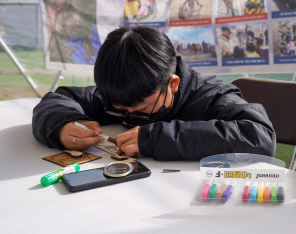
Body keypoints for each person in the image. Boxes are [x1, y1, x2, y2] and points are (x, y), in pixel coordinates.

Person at [32, 26, 275, 160]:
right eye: (120, 107)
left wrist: (156, 138)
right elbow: (59, 99)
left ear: (173, 84)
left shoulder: (211, 96)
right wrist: (60, 126)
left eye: (140, 108)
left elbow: (260, 136)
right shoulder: (122, 95)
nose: (127, 113)